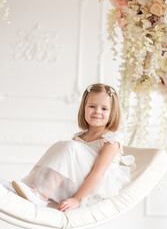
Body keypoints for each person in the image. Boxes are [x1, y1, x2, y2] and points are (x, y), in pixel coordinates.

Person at [1, 83, 135, 212]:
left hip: (94, 189)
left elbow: (98, 173)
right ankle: (31, 188)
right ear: (84, 108)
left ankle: (41, 195)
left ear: (112, 113)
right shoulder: (79, 138)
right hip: (78, 182)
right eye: (92, 106)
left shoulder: (111, 140)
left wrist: (77, 199)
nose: (97, 112)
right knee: (62, 145)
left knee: (70, 147)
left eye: (104, 109)